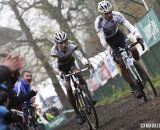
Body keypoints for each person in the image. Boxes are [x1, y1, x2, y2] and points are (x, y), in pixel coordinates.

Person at [95, 0, 144, 98]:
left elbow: (129, 26)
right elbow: (102, 40)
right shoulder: (99, 22)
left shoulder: (117, 15)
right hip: (109, 42)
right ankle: (133, 87)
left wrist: (137, 35)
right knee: (121, 64)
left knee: (133, 49)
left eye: (110, 12)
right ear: (101, 14)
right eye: (106, 14)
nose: (109, 15)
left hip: (119, 36)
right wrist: (109, 49)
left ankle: (137, 66)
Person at [51, 31, 91, 124]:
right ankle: (77, 112)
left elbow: (80, 56)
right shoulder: (54, 51)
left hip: (71, 64)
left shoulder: (71, 44)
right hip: (61, 69)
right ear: (56, 44)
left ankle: (88, 96)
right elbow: (54, 66)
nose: (64, 44)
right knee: (68, 87)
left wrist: (86, 62)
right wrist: (59, 72)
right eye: (61, 43)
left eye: (65, 41)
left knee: (78, 74)